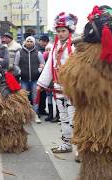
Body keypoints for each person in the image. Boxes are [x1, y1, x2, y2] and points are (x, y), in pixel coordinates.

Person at [58, 5, 112, 180]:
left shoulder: (88, 58)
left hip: (98, 122)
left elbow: (74, 87)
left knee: (99, 159)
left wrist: (77, 54)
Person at [37, 12, 78, 153]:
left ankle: (79, 147)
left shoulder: (75, 47)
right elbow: (49, 65)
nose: (60, 34)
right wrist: (41, 83)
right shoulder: (55, 47)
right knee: (63, 118)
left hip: (73, 88)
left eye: (63, 31)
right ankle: (66, 144)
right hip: (58, 87)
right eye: (58, 31)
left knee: (74, 119)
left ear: (70, 31)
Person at [0, 70, 35, 153]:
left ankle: (13, 145)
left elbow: (14, 96)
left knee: (10, 129)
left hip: (6, 112)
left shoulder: (5, 86)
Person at [14, 36, 45, 123]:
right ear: (25, 42)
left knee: (35, 98)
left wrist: (40, 69)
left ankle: (35, 114)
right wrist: (19, 71)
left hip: (35, 79)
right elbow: (15, 64)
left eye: (31, 41)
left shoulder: (38, 53)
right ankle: (25, 115)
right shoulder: (19, 53)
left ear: (34, 43)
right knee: (24, 98)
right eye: (28, 41)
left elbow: (43, 64)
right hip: (24, 79)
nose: (29, 43)